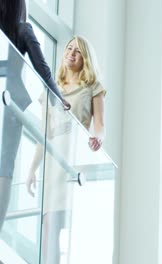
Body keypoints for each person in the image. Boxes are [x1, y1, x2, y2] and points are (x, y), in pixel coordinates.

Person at [26, 35, 106, 264]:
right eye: (69, 49)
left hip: (73, 165)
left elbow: (100, 126)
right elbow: (44, 134)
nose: (71, 53)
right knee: (48, 228)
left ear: (85, 58)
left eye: (78, 51)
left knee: (70, 227)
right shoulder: (52, 90)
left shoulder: (93, 87)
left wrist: (97, 139)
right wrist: (32, 169)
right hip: (52, 167)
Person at [0, 0, 69, 233]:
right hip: (12, 103)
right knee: (5, 168)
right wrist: (56, 98)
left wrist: (56, 99)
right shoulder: (22, 28)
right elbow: (43, 69)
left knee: (5, 168)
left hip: (8, 103)